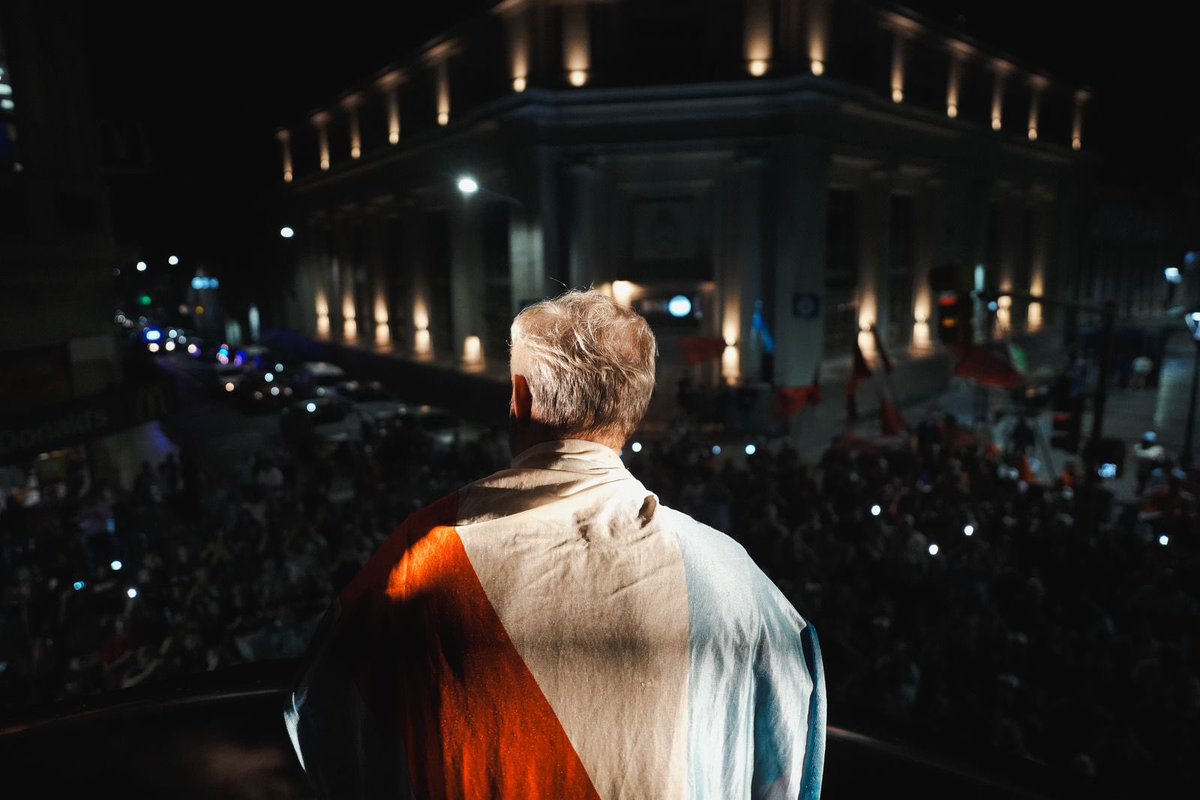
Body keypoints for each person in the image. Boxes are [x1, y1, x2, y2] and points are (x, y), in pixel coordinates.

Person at [285, 290, 826, 800]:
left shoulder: (420, 556)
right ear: (634, 407)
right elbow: (789, 766)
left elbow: (322, 731)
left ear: (520, 397)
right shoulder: (735, 578)